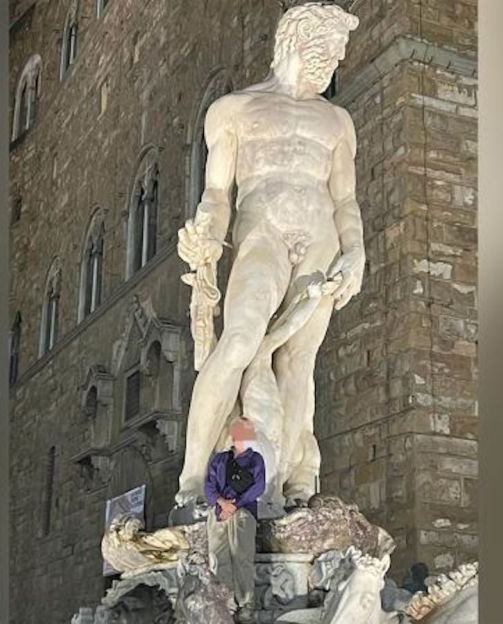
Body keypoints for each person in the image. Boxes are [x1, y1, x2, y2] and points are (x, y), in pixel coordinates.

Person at [175, 2, 363, 506]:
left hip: (320, 236)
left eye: (340, 54)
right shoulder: (234, 110)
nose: (334, 62)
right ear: (297, 41)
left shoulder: (338, 121)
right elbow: (217, 193)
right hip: (262, 232)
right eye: (329, 50)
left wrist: (357, 251)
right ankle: (193, 478)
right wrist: (207, 230)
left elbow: (345, 199)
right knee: (237, 342)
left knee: (299, 361)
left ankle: (284, 482)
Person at [205, 419, 266, 623]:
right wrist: (221, 502)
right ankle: (227, 602)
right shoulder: (220, 460)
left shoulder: (255, 459)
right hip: (220, 513)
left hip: (242, 512)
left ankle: (246, 603)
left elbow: (259, 487)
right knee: (219, 557)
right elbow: (209, 485)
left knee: (242, 555)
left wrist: (234, 505)